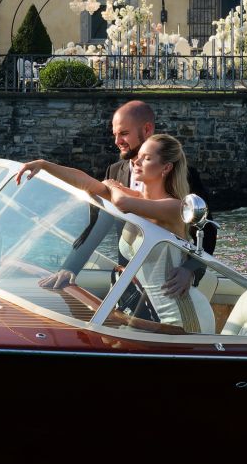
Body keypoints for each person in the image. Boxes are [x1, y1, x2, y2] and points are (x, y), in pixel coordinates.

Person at [16, 134, 205, 330]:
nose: (137, 161)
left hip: (179, 316)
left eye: (147, 158)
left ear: (166, 167)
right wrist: (45, 165)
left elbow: (122, 203)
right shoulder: (131, 196)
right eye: (138, 156)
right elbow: (86, 182)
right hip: (146, 315)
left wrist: (112, 186)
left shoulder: (174, 206)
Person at [103, 100, 211, 297]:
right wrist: (70, 268)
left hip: (166, 288)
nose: (117, 141)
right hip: (127, 285)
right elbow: (98, 221)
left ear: (147, 129)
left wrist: (190, 269)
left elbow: (207, 230)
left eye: (124, 133)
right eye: (115, 134)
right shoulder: (114, 170)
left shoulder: (186, 176)